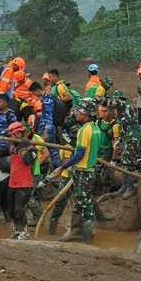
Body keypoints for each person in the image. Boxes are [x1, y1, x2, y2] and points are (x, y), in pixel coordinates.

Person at [48, 100, 101, 244]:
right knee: (80, 204)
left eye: (79, 111)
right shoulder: (96, 128)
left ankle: (87, 241)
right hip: (89, 170)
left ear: (86, 114)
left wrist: (62, 167)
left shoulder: (84, 130)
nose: (76, 113)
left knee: (85, 207)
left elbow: (79, 155)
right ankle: (76, 234)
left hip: (83, 172)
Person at [4, 122, 38, 239]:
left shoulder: (31, 149)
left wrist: (23, 147)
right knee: (11, 211)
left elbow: (27, 161)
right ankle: (16, 231)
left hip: (24, 185)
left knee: (19, 210)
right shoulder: (12, 147)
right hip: (12, 184)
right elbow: (0, 152)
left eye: (11, 135)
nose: (10, 138)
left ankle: (23, 233)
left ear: (18, 134)